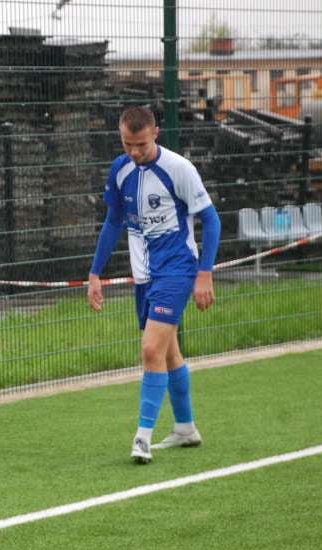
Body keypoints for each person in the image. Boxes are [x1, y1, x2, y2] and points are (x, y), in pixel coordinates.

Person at [87, 106, 221, 465]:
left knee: (150, 350)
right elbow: (113, 222)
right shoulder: (120, 169)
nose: (134, 151)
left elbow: (211, 222)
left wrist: (204, 273)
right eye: (127, 144)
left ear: (155, 134)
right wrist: (95, 274)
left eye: (141, 144)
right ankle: (186, 428)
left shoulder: (179, 169)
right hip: (143, 274)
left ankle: (142, 438)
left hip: (177, 269)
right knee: (168, 351)